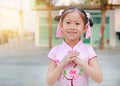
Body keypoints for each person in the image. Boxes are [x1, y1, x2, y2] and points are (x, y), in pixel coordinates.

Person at [47, 7, 103, 86]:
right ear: (61, 25)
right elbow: (49, 82)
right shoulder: (55, 51)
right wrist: (62, 63)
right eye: (68, 22)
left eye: (77, 23)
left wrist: (81, 63)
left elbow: (99, 79)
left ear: (85, 28)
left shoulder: (88, 50)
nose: (72, 27)